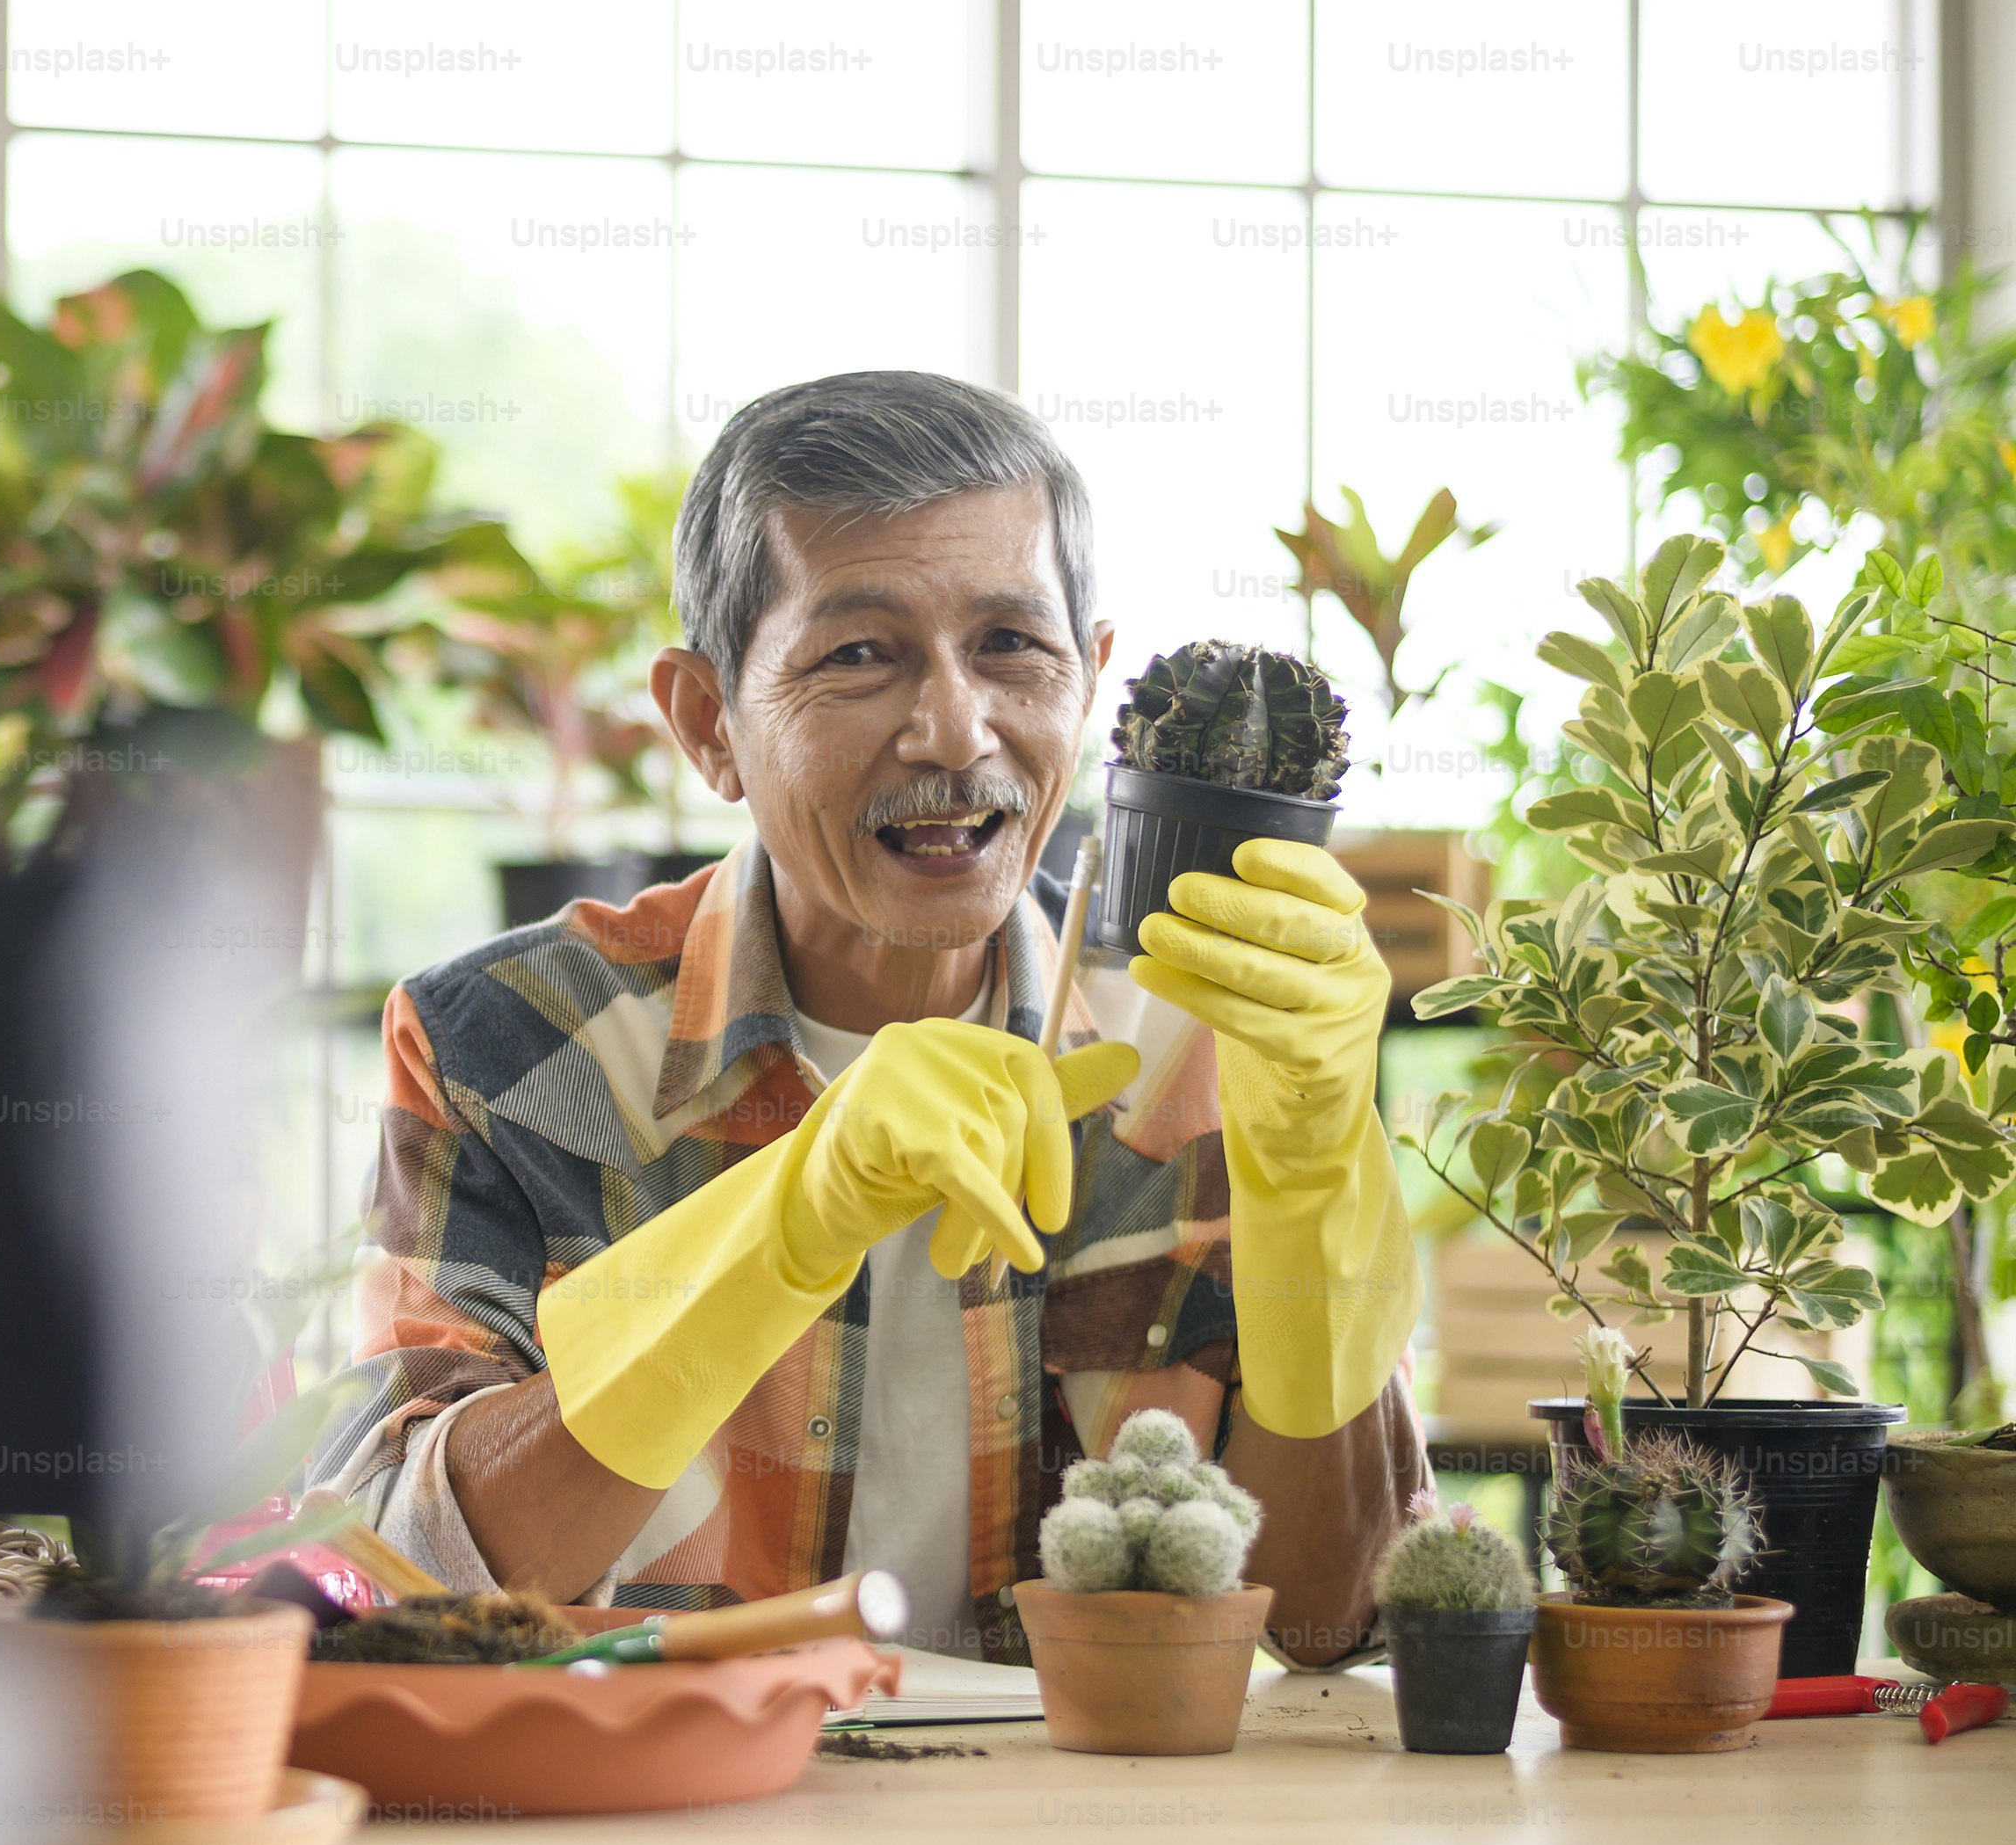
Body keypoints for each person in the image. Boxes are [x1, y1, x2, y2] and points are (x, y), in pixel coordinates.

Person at [317, 371, 1429, 1664]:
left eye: (1013, 647)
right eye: (857, 654)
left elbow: (1324, 1622)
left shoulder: (1211, 1045)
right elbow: (400, 1587)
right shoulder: (499, 1051)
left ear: (1094, 681)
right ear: (706, 723)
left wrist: (1320, 1174)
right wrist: (783, 1226)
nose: (954, 729)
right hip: (670, 1831)